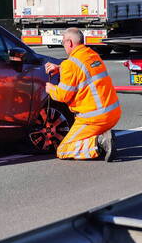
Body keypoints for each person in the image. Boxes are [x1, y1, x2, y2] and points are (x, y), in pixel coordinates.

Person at [44, 28, 121, 161]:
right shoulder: (92, 54)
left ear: (70, 43)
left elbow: (63, 96)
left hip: (93, 119)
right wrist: (60, 68)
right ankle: (103, 136)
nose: (63, 46)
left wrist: (51, 89)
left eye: (63, 42)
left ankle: (99, 143)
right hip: (113, 114)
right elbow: (82, 68)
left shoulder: (70, 65)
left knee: (63, 150)